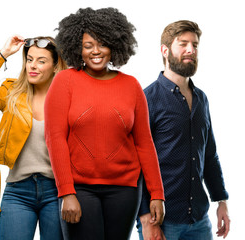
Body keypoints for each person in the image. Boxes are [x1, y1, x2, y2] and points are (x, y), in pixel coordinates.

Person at [44, 7, 165, 240]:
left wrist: (157, 193)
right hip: (79, 188)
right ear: (78, 48)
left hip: (125, 190)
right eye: (88, 45)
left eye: (103, 44)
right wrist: (66, 192)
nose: (96, 52)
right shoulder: (65, 81)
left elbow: (145, 143)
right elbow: (55, 138)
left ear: (115, 46)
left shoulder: (131, 85)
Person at [0, 35, 67, 240]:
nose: (33, 66)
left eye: (41, 61)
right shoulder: (12, 94)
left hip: (57, 191)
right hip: (18, 191)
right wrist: (3, 54)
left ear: (55, 66)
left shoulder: (68, 99)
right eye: (29, 59)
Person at [137, 20, 230, 240]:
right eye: (183, 44)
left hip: (199, 220)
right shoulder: (146, 99)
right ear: (165, 50)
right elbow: (135, 163)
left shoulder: (201, 99)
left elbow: (209, 154)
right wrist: (144, 219)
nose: (191, 50)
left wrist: (221, 201)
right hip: (161, 220)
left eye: (195, 45)